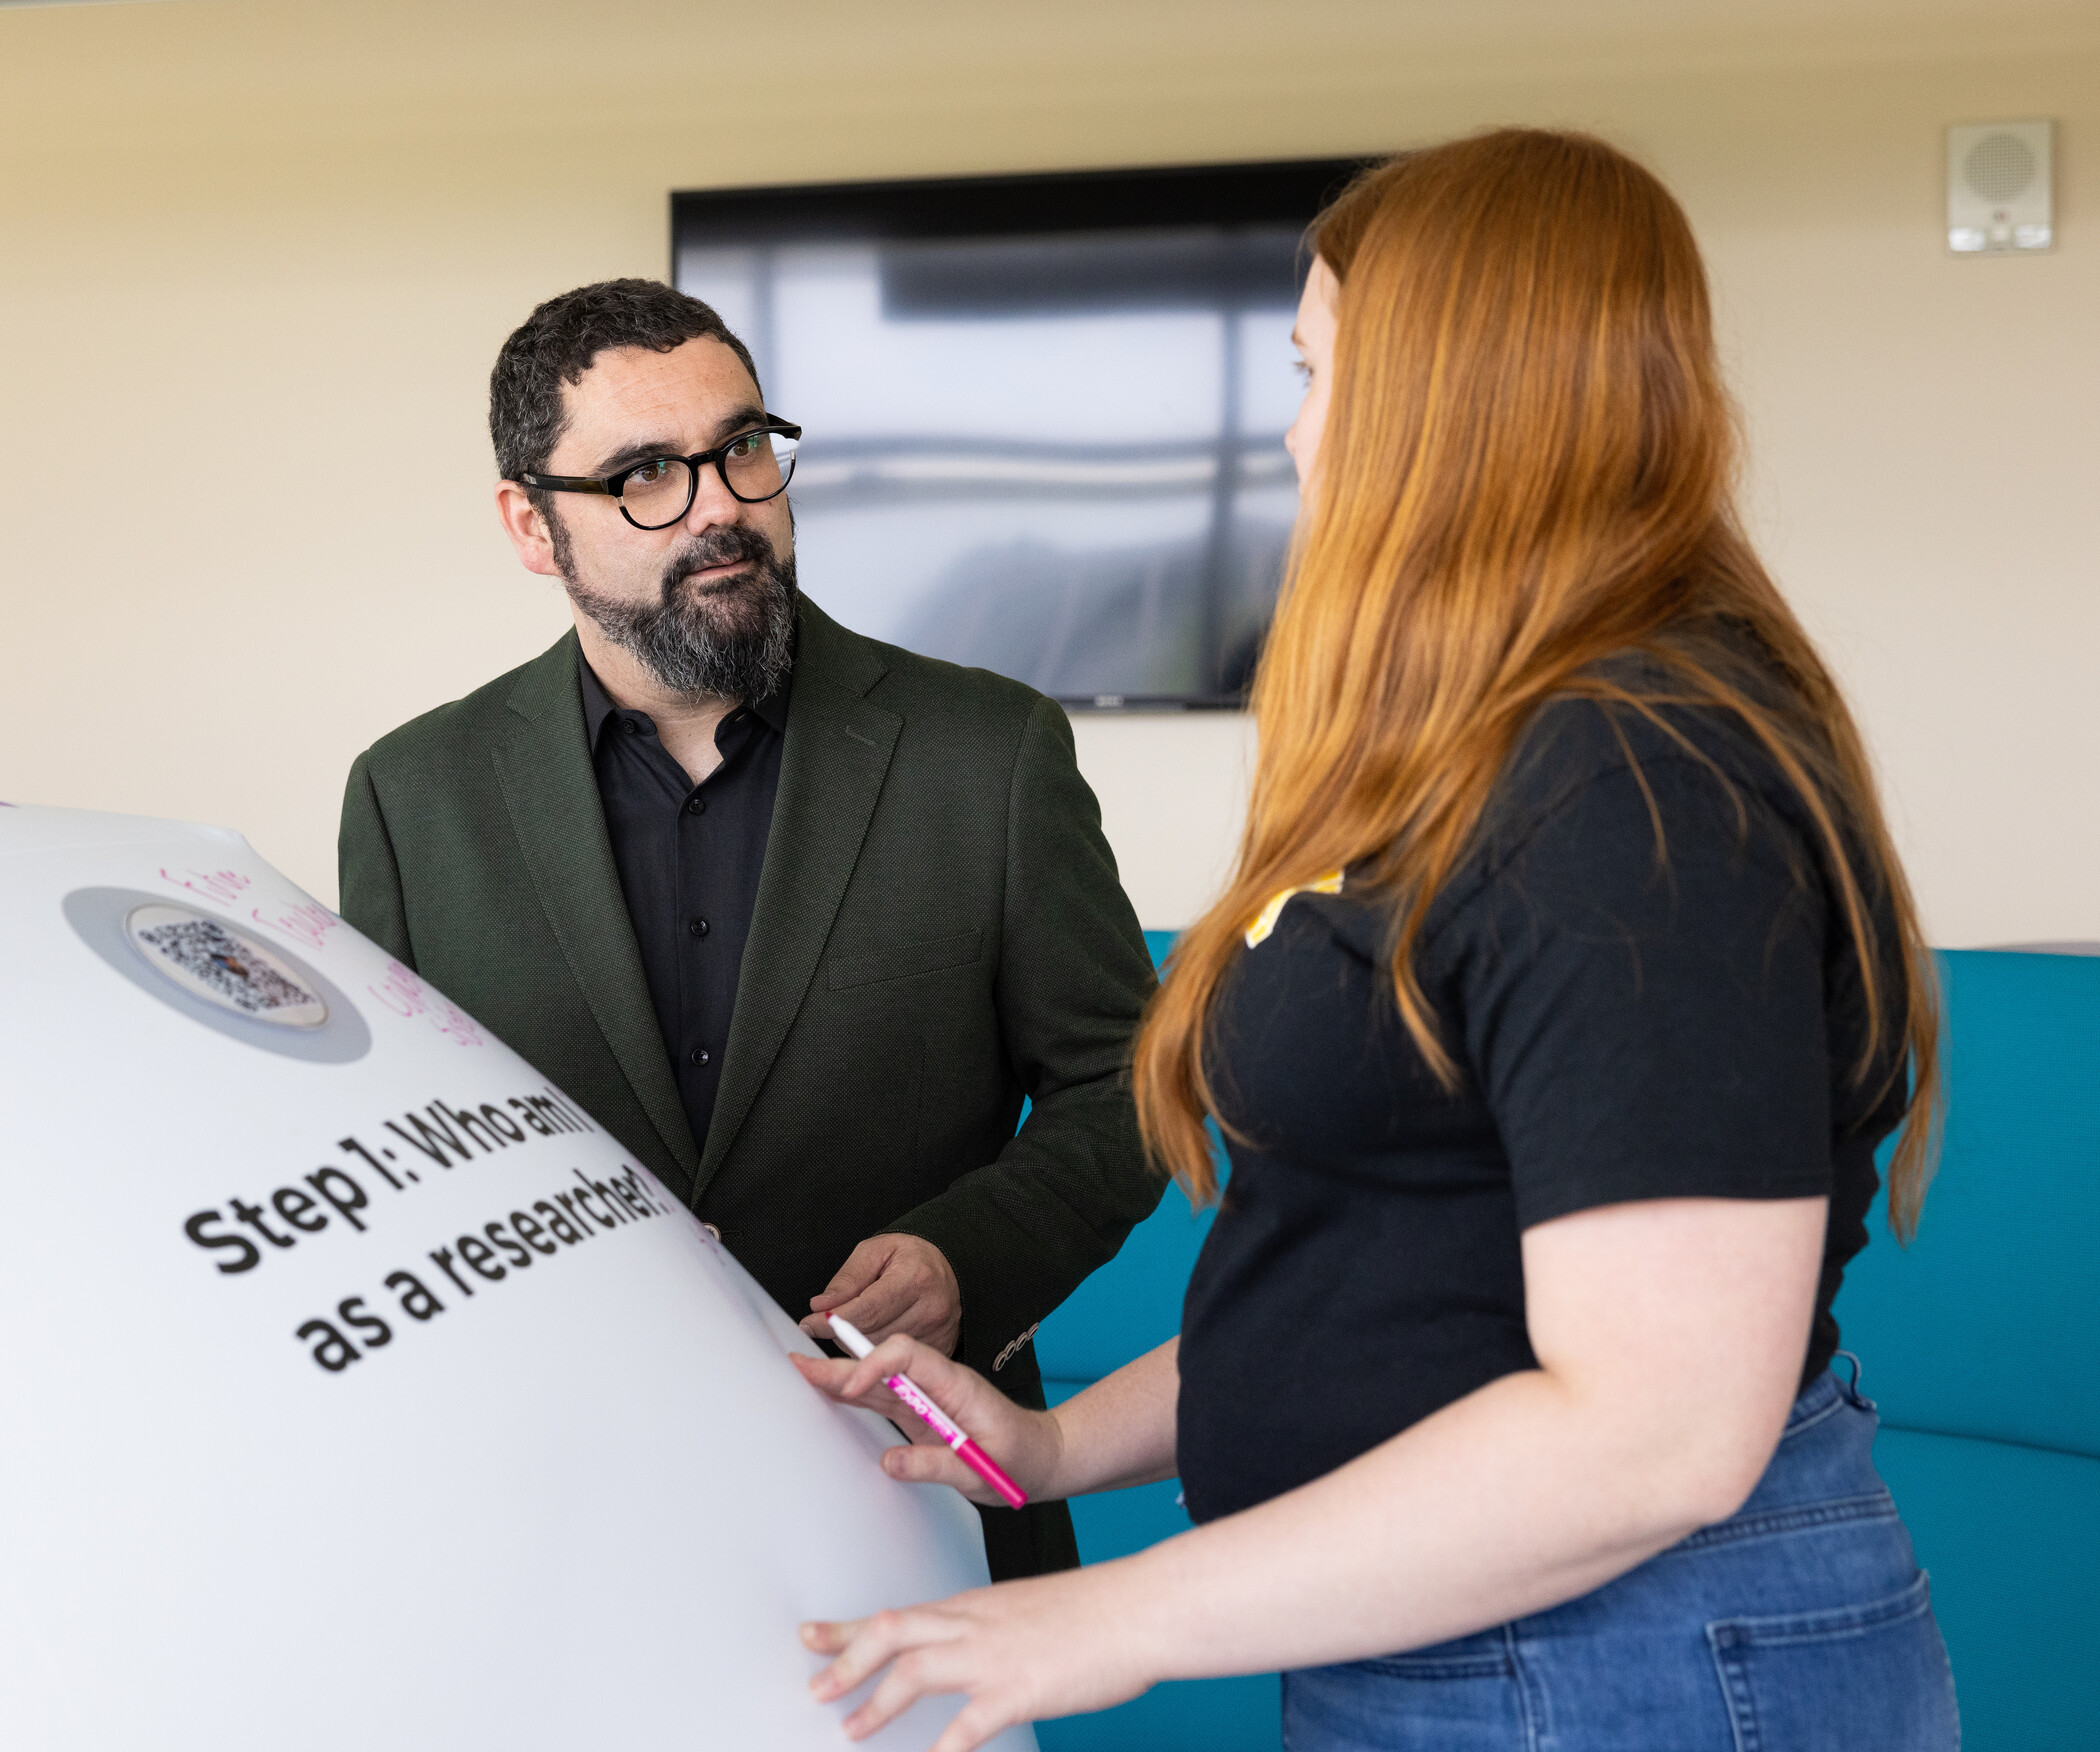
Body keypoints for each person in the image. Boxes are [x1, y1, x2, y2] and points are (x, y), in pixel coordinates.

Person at [792, 129, 1961, 1750]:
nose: (1293, 430)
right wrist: (1054, 1454)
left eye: (1315, 368)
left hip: (1623, 1658)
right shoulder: (1500, 751)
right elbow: (1393, 1274)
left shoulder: (1631, 779)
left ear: (1442, 402)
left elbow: (1659, 1430)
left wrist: (1104, 1619)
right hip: (1459, 1635)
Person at [337, 278, 1164, 1581]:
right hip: (553, 1528)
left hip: (917, 1498)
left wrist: (965, 1257)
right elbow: (394, 1162)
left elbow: (1127, 1094)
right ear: (532, 527)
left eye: (740, 448)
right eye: (645, 475)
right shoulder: (411, 798)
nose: (721, 501)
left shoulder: (987, 752)